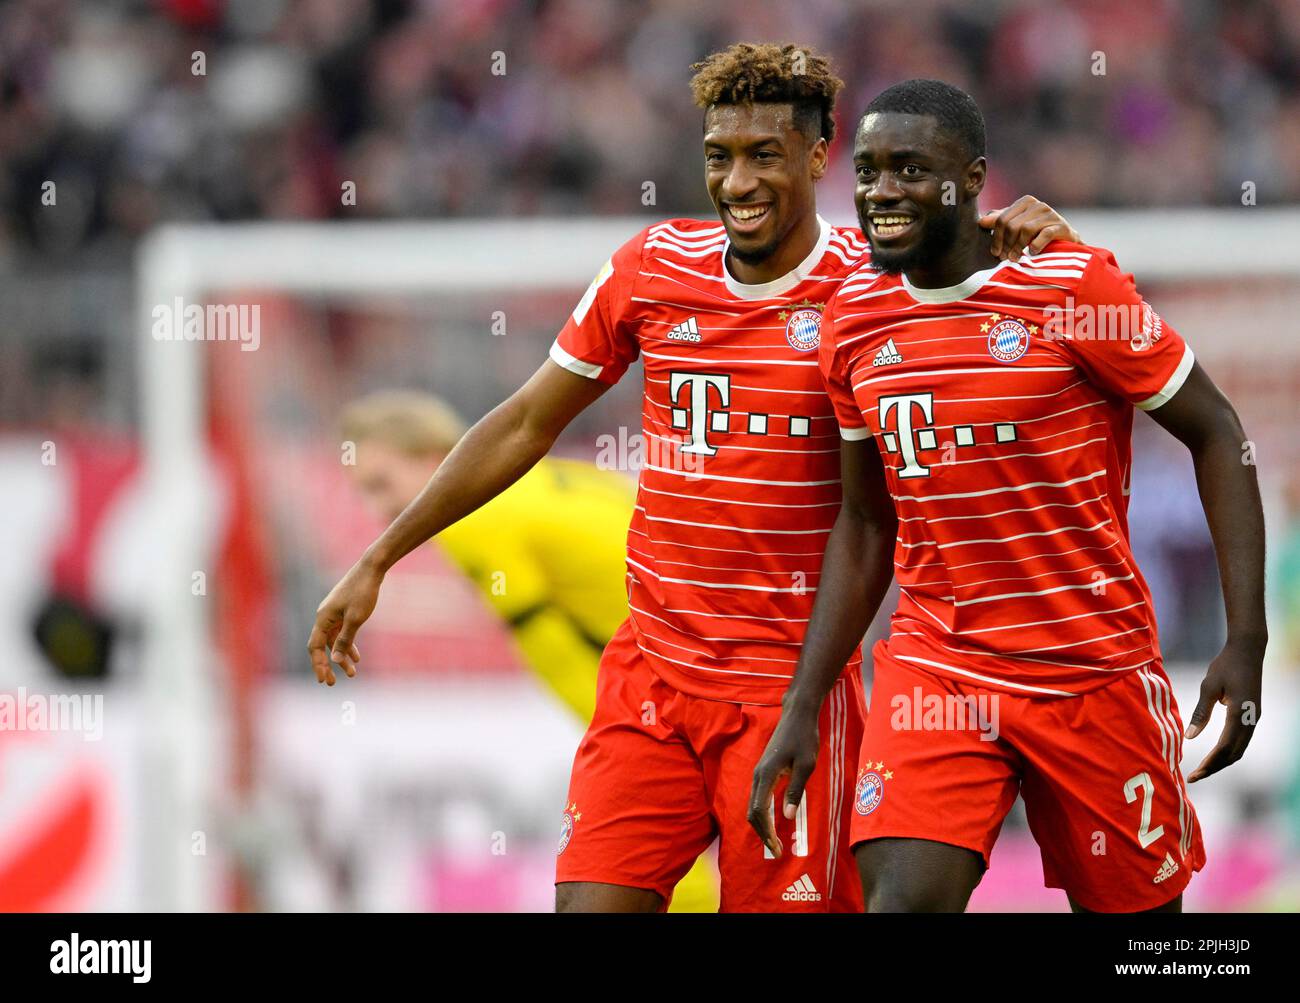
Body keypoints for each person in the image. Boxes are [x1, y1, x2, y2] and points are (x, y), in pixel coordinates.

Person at [309, 44, 1078, 912]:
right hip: (652, 680)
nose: (737, 181)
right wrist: (380, 556)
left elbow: (1019, 332)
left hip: (789, 691)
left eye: (764, 155)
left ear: (818, 156)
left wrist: (1050, 247)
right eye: (720, 156)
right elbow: (527, 420)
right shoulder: (652, 269)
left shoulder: (872, 290)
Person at [749, 79, 1266, 913]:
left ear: (973, 176)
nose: (882, 191)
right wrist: (802, 703)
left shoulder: (1071, 288)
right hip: (937, 669)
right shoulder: (853, 321)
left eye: (910, 169)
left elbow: (1217, 431)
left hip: (1091, 672)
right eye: (871, 170)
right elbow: (865, 521)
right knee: (901, 904)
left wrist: (1246, 640)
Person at [336, 390, 721, 911]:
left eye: (383, 484)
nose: (376, 509)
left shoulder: (473, 522)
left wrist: (613, 736)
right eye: (363, 492)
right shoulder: (533, 476)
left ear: (433, 459)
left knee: (643, 845)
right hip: (731, 637)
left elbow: (549, 647)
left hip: (685, 668)